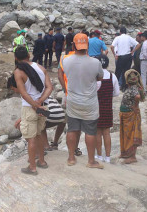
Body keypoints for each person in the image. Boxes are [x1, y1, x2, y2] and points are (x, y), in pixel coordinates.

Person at [61, 33, 104, 168]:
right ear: (87, 46)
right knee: (90, 131)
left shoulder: (65, 60)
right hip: (89, 102)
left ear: (73, 45)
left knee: (72, 129)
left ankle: (71, 158)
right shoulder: (95, 63)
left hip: (73, 100)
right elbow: (100, 78)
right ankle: (91, 161)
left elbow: (63, 75)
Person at [13, 46, 53, 175]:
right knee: (39, 134)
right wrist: (40, 101)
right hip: (42, 107)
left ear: (15, 58)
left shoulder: (18, 72)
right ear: (28, 56)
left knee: (31, 138)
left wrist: (34, 105)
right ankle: (42, 161)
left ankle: (32, 167)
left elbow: (24, 94)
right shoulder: (41, 68)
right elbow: (49, 88)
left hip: (29, 108)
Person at [95, 55, 120, 163]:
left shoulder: (94, 77)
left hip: (96, 107)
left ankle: (99, 155)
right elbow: (117, 93)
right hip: (107, 107)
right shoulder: (112, 76)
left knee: (97, 133)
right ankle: (108, 157)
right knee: (106, 132)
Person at [120, 69, 145, 164]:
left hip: (130, 114)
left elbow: (138, 97)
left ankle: (132, 156)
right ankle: (126, 153)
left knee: (131, 134)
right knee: (127, 134)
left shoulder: (134, 88)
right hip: (126, 115)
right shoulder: (133, 87)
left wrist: (135, 106)